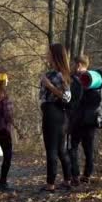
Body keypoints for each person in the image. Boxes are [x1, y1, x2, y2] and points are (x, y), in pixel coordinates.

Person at [39, 43, 72, 192]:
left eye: (48, 52)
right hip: (56, 114)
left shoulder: (58, 75)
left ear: (55, 55)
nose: (46, 54)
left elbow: (67, 97)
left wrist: (48, 85)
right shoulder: (55, 73)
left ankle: (50, 184)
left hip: (53, 114)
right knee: (60, 149)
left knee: (52, 149)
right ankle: (67, 179)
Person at [69, 54, 97, 185]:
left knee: (72, 147)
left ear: (79, 65)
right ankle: (87, 175)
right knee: (89, 148)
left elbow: (73, 100)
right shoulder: (94, 80)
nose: (72, 66)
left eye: (74, 64)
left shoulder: (77, 79)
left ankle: (75, 176)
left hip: (78, 119)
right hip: (91, 120)